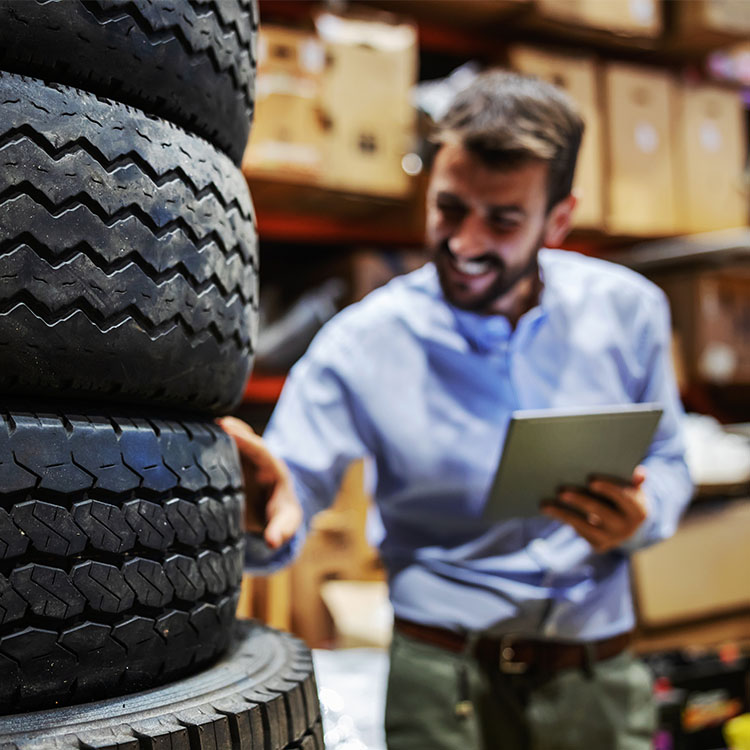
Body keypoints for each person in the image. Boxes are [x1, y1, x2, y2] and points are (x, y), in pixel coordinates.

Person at [221, 70, 693, 750]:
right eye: (449, 209)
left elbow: (671, 460)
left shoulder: (630, 312)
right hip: (442, 686)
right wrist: (252, 515)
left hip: (598, 678)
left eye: (503, 220)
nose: (466, 242)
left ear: (558, 219)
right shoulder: (362, 343)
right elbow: (287, 505)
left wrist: (644, 518)